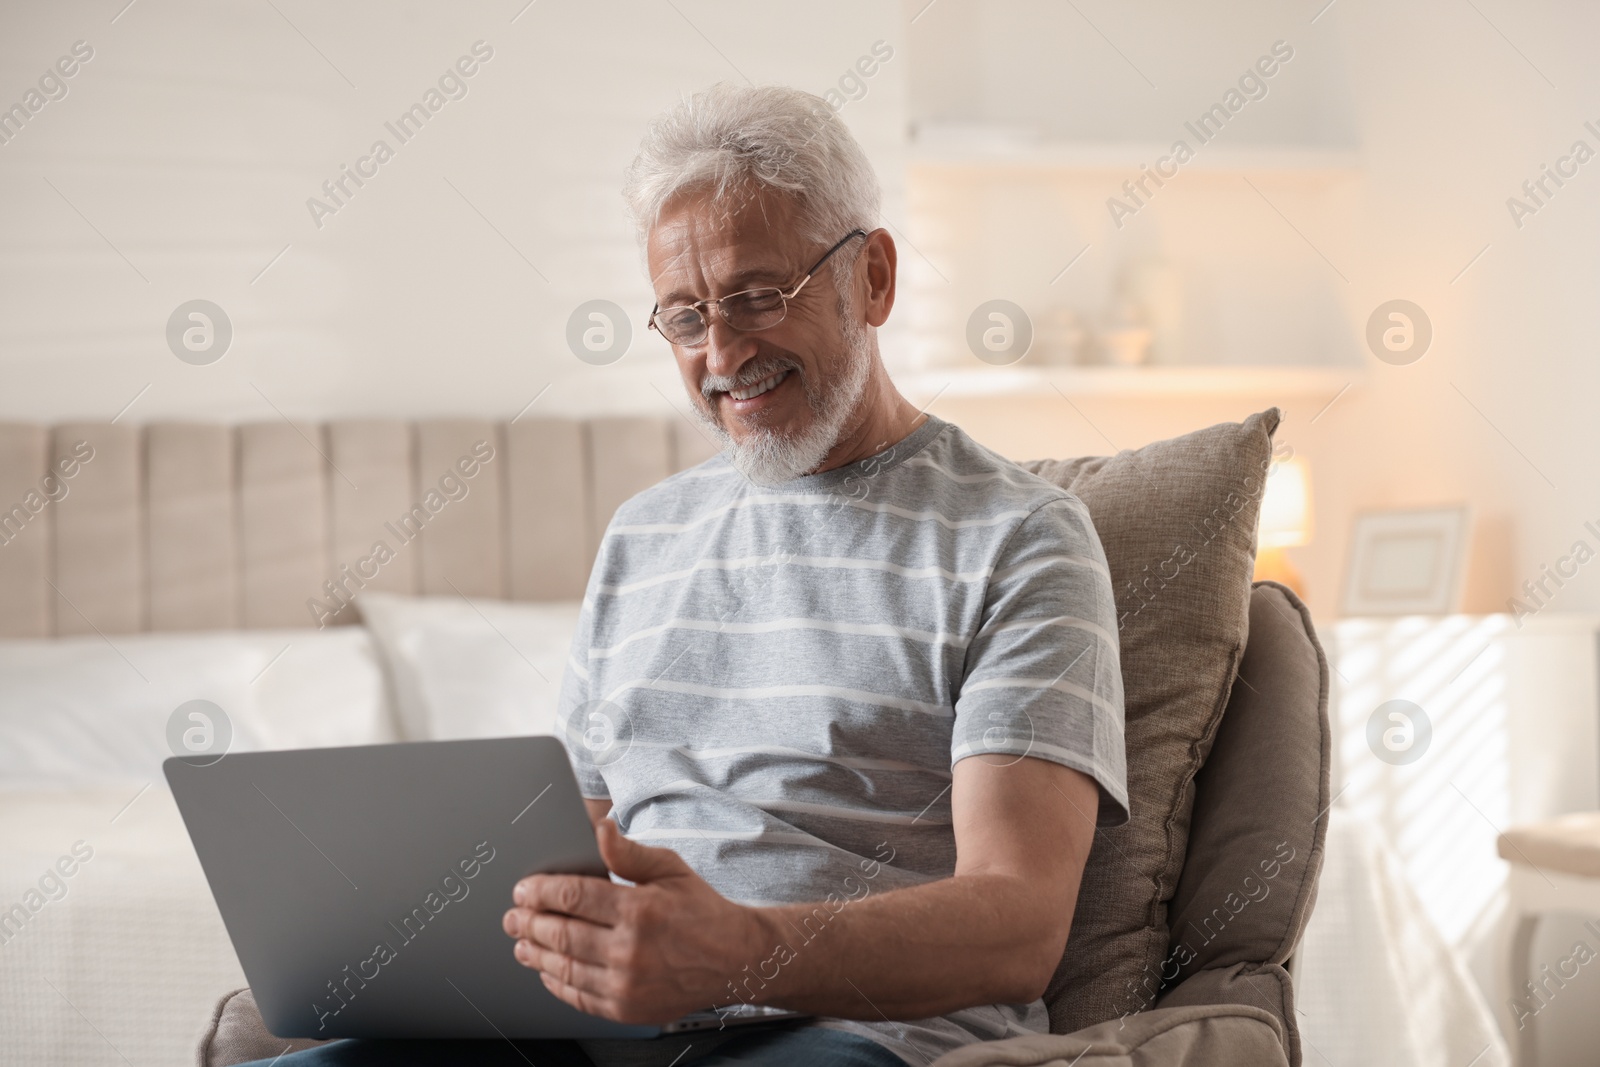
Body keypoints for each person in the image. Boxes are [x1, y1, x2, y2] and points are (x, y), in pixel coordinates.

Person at [246, 82, 1126, 1067]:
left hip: (853, 1035)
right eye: (683, 316)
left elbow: (1019, 923)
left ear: (873, 277)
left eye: (757, 297)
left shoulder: (1020, 537)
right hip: (605, 1034)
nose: (722, 353)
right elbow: (576, 854)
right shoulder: (642, 536)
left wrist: (739, 955)